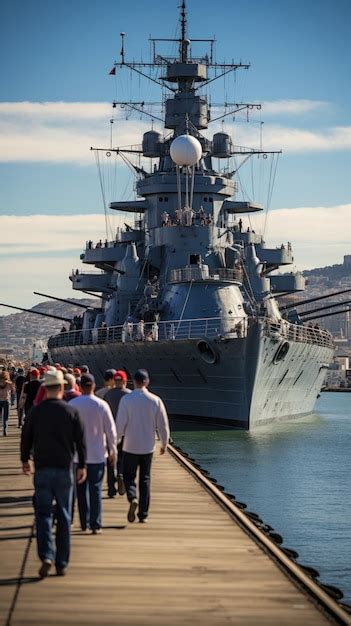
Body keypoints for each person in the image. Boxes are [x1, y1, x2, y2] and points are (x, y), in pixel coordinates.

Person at [20, 368, 86, 578]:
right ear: (61, 388)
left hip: (42, 469)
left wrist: (24, 460)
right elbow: (80, 443)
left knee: (43, 515)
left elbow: (26, 437)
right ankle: (62, 562)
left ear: (45, 388)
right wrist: (82, 465)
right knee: (64, 516)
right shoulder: (71, 412)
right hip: (64, 469)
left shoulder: (35, 412)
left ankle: (46, 555)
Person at [116, 369, 170, 524]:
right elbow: (163, 424)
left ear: (134, 381)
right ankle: (143, 514)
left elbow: (120, 424)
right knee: (145, 479)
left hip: (130, 445)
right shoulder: (155, 400)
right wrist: (164, 442)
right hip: (148, 446)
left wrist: (116, 440)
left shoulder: (126, 400)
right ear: (147, 382)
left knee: (128, 476)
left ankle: (132, 497)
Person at [70, 374, 117, 533]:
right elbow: (111, 431)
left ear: (80, 386)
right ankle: (95, 524)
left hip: (78, 457)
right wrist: (113, 451)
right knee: (95, 489)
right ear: (94, 386)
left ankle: (84, 523)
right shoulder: (102, 405)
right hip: (98, 455)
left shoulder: (72, 405)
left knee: (81, 491)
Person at [105, 370, 131, 497]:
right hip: (126, 432)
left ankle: (111, 488)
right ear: (125, 381)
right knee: (123, 458)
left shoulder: (108, 394)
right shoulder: (129, 395)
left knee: (110, 458)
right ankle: (121, 475)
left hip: (111, 431)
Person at [0, 371, 14, 436]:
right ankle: (5, 430)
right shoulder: (9, 383)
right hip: (6, 401)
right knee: (6, 417)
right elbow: (13, 390)